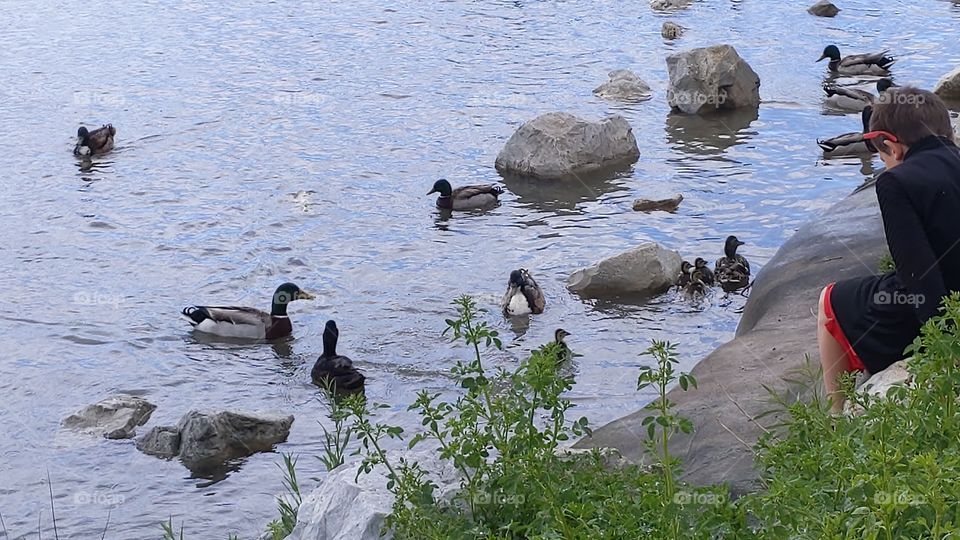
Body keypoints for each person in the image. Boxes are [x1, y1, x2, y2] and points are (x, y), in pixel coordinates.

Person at [817, 87, 960, 413]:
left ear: (889, 145)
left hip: (941, 310)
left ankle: (837, 418)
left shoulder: (896, 183)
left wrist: (946, 351)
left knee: (830, 300)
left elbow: (918, 274)